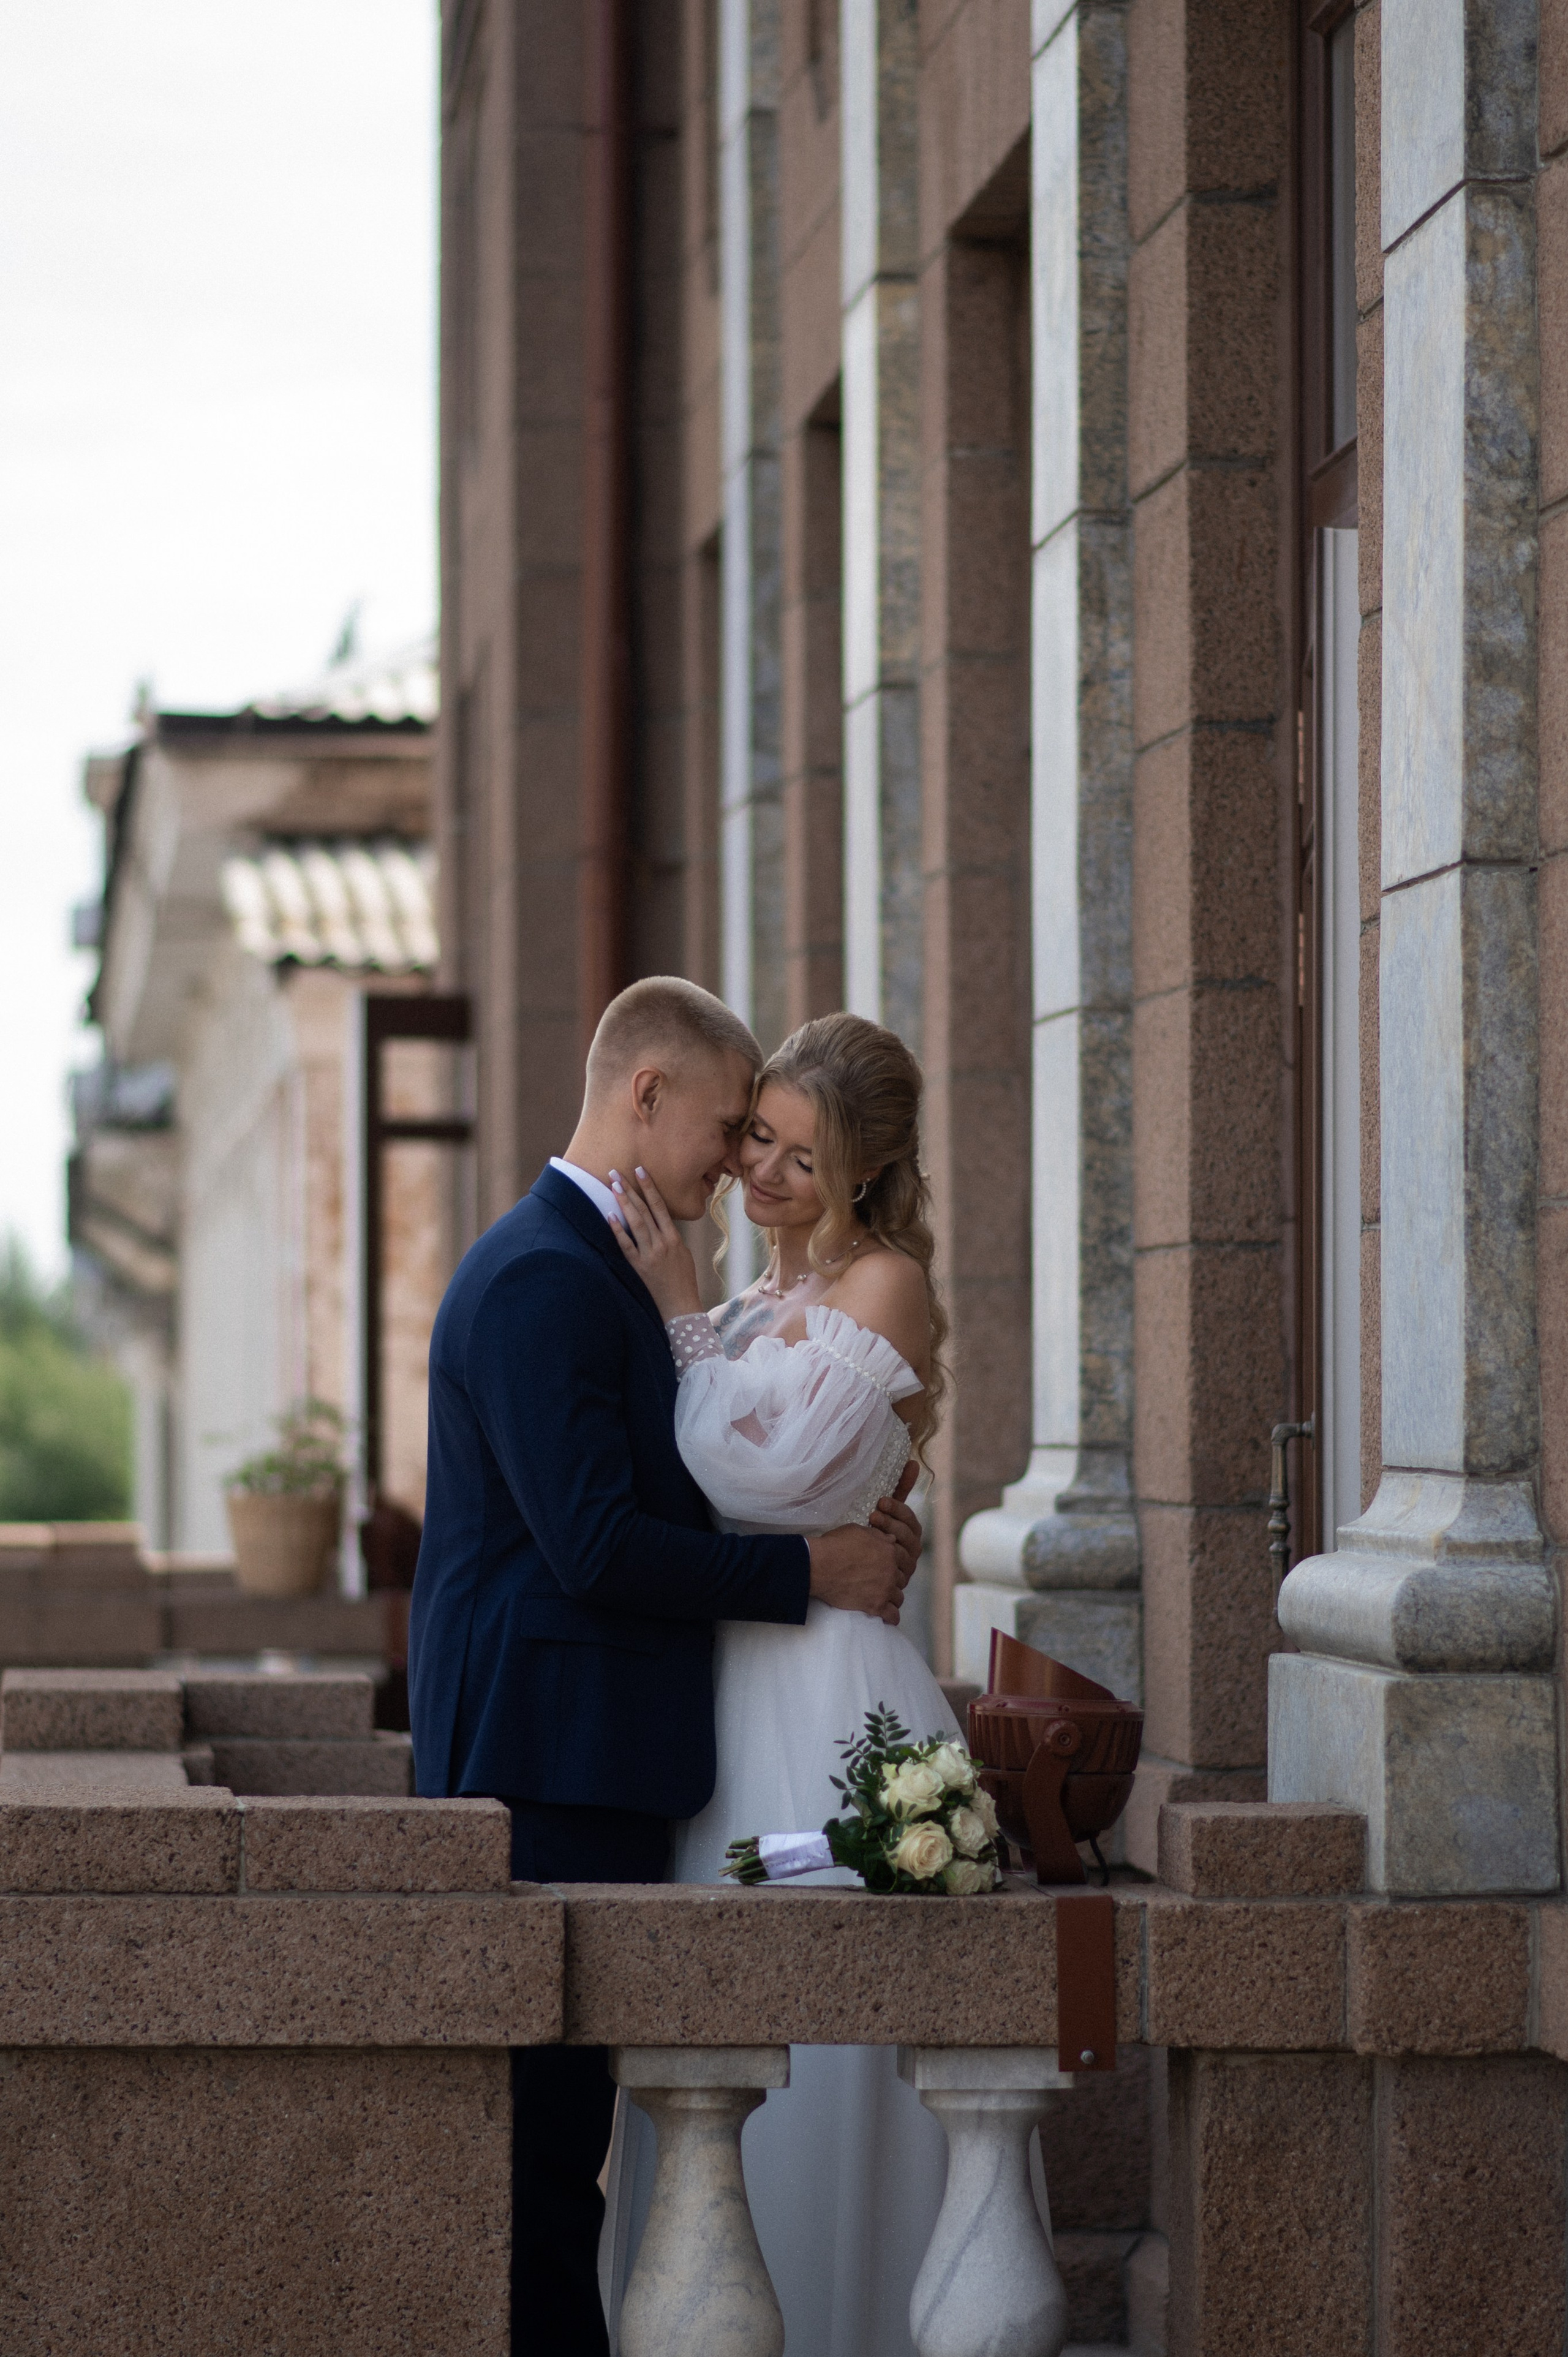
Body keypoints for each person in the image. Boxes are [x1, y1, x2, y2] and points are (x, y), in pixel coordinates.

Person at [405, 976, 924, 2357]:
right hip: (549, 1765)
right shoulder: (539, 1277)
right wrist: (807, 1567)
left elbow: (683, 1477)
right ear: (646, 1096)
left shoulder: (604, 1267)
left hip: (609, 1755)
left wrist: (845, 1502)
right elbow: (588, 1546)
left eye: (777, 1141)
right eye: (723, 1123)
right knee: (540, 2169)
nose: (735, 1158)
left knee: (577, 2158)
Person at [604, 1011, 960, 2357]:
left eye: (804, 1158)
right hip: (721, 1681)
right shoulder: (753, 1300)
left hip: (821, 1698)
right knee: (709, 2029)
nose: (763, 1170)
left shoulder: (884, 1287)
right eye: (758, 1132)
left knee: (818, 2040)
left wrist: (682, 1317)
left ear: (863, 1177)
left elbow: (754, 1478)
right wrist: (708, 1320)